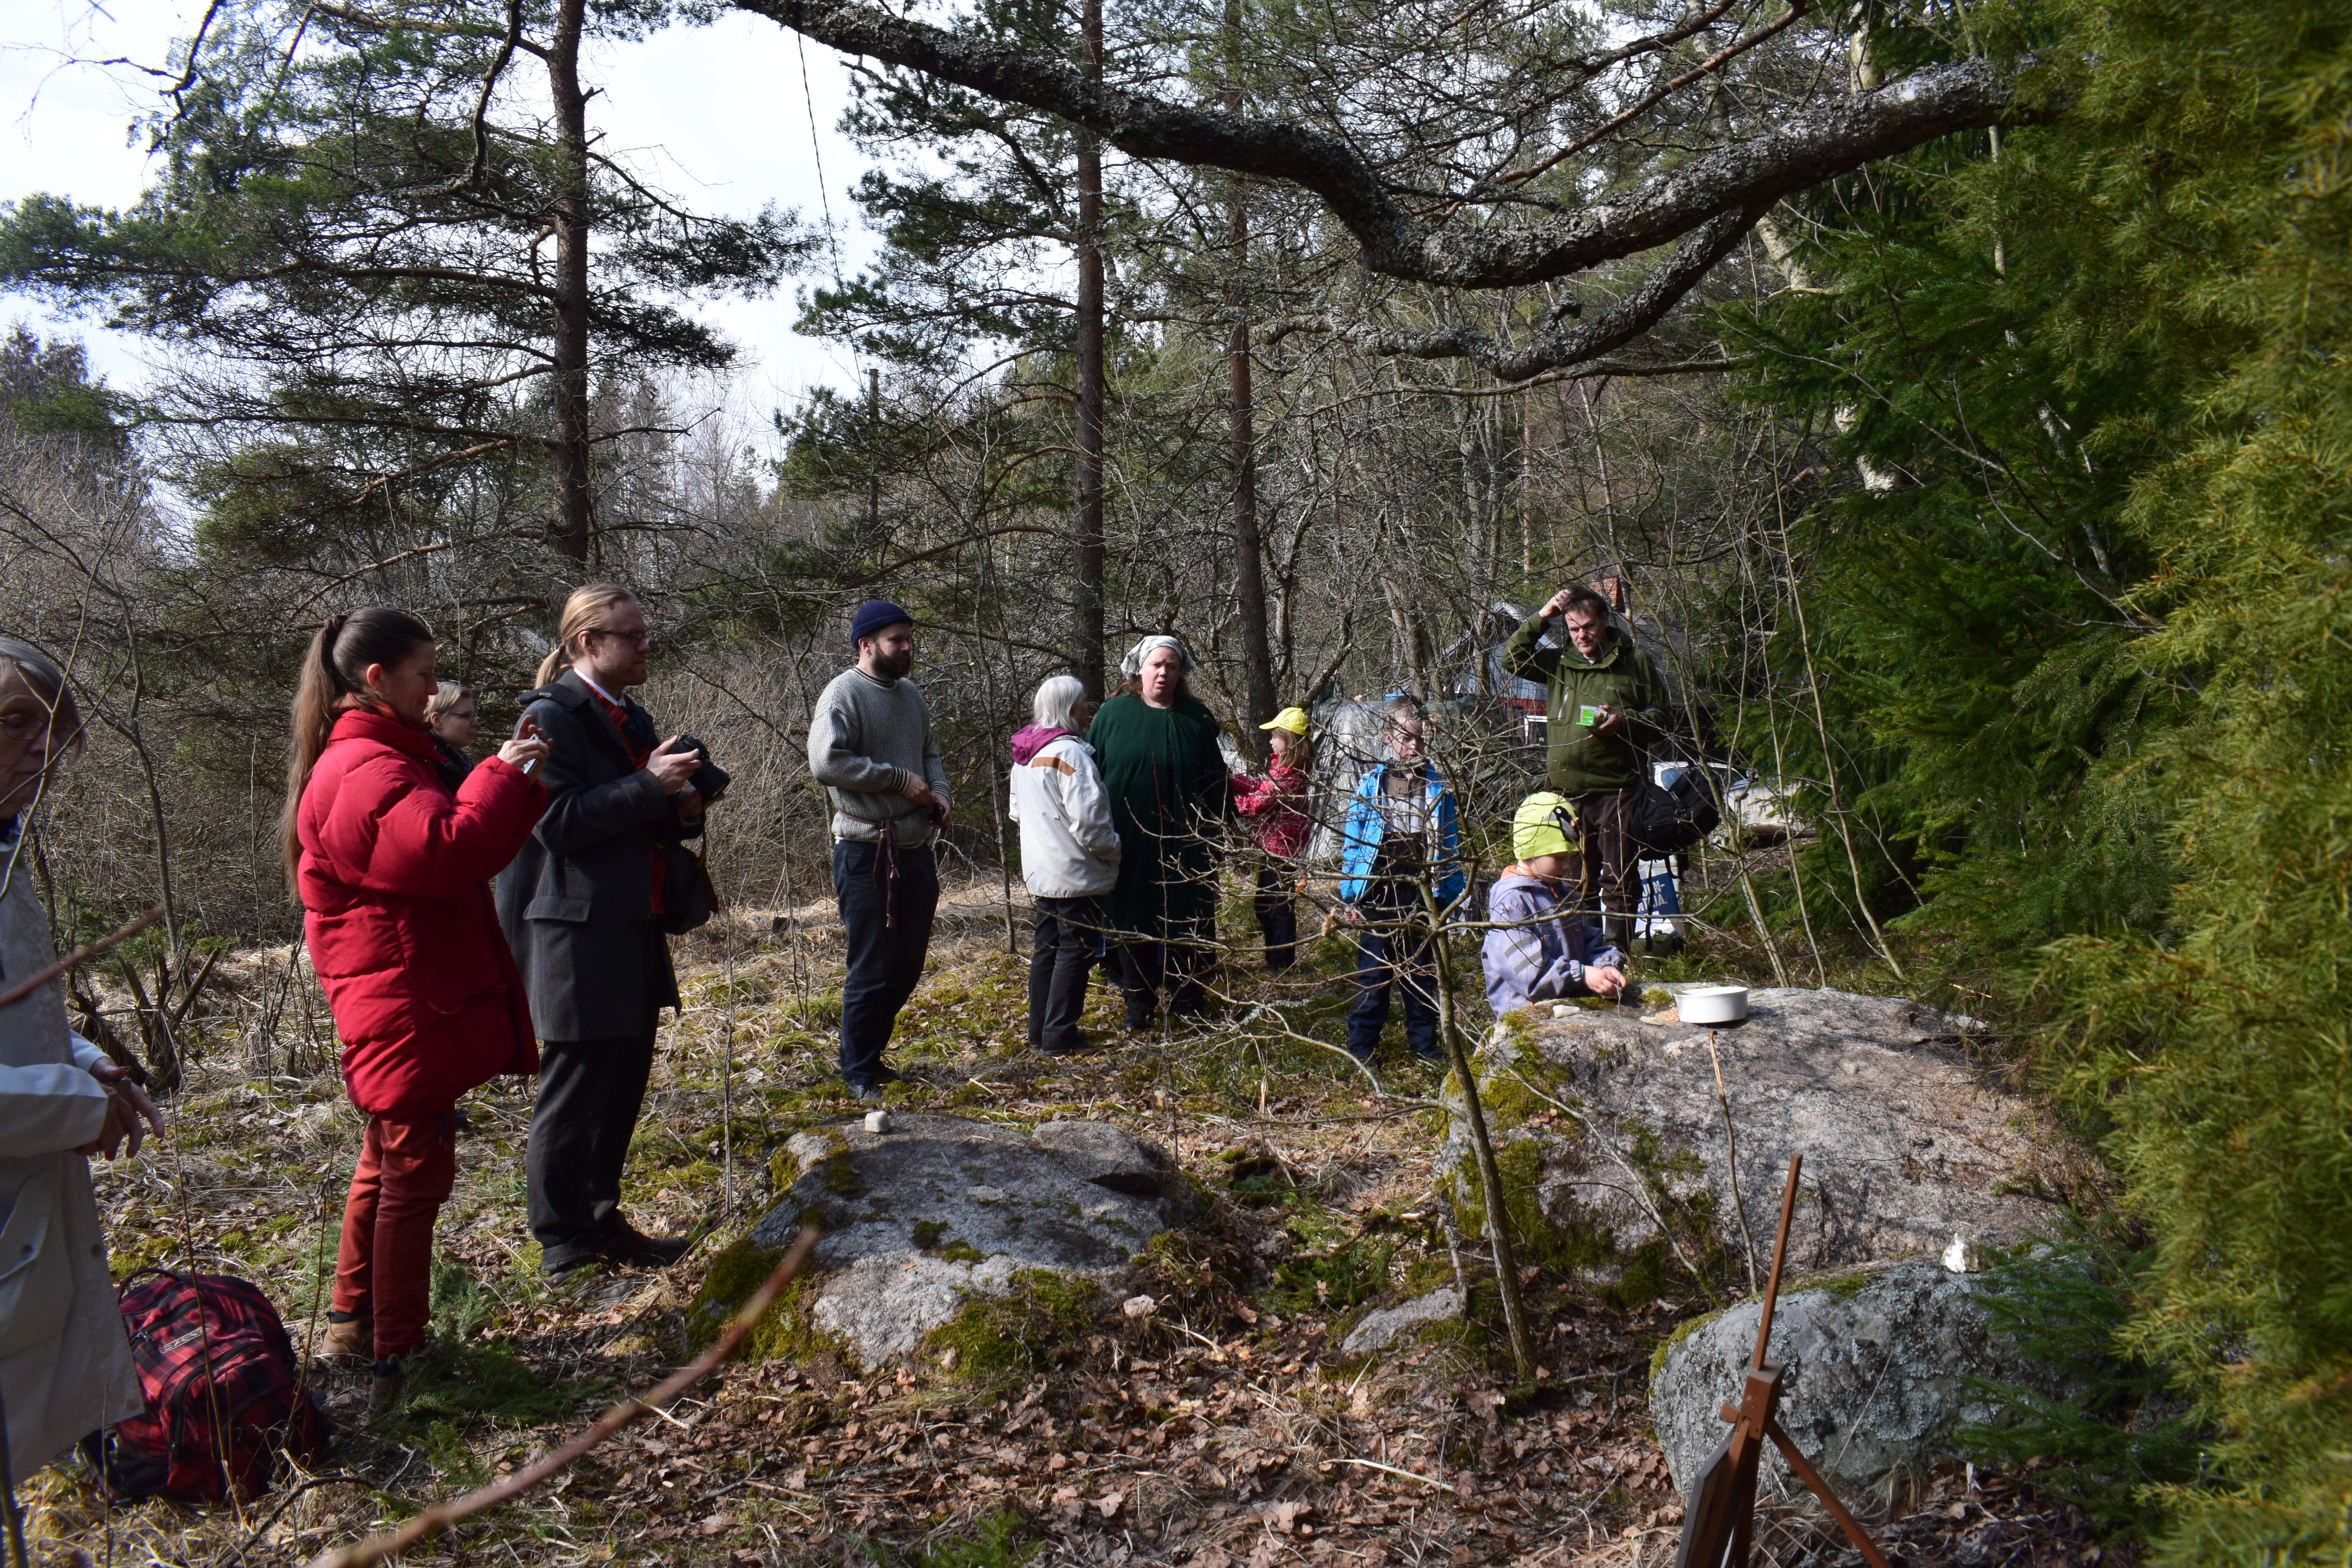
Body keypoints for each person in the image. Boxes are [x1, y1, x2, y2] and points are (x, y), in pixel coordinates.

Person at [285, 608, 548, 1409]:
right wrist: (500, 774)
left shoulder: (384, 757)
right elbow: (444, 853)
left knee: (386, 1161)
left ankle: (351, 1327)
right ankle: (398, 1363)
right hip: (402, 1005)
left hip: (404, 996)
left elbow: (460, 847)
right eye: (425, 674)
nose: (435, 689)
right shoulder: (365, 769)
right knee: (413, 1175)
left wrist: (504, 780)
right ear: (376, 679)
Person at [498, 584, 710, 1276]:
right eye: (632, 635)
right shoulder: (548, 718)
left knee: (620, 1089)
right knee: (576, 1094)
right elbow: (556, 824)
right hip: (574, 937)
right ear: (588, 642)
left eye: (644, 633)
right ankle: (563, 1248)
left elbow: (635, 819)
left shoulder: (629, 716)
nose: (647, 645)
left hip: (631, 928)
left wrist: (683, 805)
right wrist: (650, 785)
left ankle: (601, 1222)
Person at [0, 637, 163, 1483]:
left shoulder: (6, 850)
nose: (44, 749)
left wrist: (82, 1061)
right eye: (15, 722)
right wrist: (75, 1106)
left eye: (55, 729)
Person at [807, 600, 951, 1099]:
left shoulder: (910, 695)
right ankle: (859, 1071)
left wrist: (939, 793)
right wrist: (895, 780)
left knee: (906, 968)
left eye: (909, 639)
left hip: (914, 849)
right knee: (871, 968)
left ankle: (868, 1053)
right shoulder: (842, 693)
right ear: (866, 645)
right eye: (897, 640)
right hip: (865, 853)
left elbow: (930, 752)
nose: (908, 648)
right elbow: (826, 763)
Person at [1503, 584, 1670, 950]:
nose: (1582, 636)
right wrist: (1543, 616)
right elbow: (1511, 659)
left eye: (1589, 627)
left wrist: (1624, 722)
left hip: (1618, 791)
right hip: (1567, 794)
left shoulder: (1635, 662)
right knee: (1575, 882)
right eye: (1574, 629)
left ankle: (1619, 958)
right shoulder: (1560, 664)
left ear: (1606, 621)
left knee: (1619, 882)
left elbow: (1661, 719)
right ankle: (1585, 958)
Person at [1088, 636, 1230, 1029]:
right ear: (1139, 669)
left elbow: (1216, 785)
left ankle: (1188, 1000)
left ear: (1181, 672)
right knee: (1132, 917)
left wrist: (1216, 844)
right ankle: (1138, 1001)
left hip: (1188, 843)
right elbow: (1089, 780)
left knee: (1188, 916)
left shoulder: (1197, 718)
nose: (1164, 672)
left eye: (1171, 666)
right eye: (1156, 665)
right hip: (1130, 843)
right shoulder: (1113, 714)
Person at [1336, 695, 1461, 1064]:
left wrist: (1449, 896)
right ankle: (1363, 1047)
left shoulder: (1437, 786)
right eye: (1406, 738)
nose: (1414, 745)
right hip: (1378, 893)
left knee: (1420, 972)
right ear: (1388, 738)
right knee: (1374, 973)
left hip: (1420, 893)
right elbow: (1354, 843)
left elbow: (1449, 842)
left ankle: (1424, 1045)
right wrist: (1351, 895)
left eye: (1420, 737)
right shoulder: (1371, 784)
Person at [1008, 675, 1120, 1056]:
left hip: (1042, 872)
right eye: (1085, 702)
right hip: (1075, 873)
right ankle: (1059, 1035)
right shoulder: (1071, 756)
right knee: (1075, 951)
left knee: (1048, 949)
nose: (1089, 708)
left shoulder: (1025, 755)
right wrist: (1114, 852)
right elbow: (1091, 824)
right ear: (1072, 709)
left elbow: (1017, 812)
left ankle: (1039, 1032)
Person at [1481, 792, 1630, 1015]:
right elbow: (1529, 975)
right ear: (1529, 849)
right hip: (1529, 1017)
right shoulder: (1512, 903)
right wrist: (1581, 974)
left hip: (1567, 1009)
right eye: (1560, 858)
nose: (1567, 866)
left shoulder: (1566, 896)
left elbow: (1590, 944)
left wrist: (1604, 965)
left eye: (1573, 858)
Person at [1230, 706, 1313, 972]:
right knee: (1266, 906)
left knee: (1278, 909)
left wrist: (1226, 802)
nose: (1271, 742)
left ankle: (1281, 964)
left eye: (1275, 737)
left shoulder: (1291, 776)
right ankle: (1275, 960)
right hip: (1273, 850)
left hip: (1283, 853)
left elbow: (1257, 803)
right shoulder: (1282, 771)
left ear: (1289, 741)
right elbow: (1260, 788)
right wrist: (1231, 781)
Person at [424, 681, 478, 792]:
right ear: (437, 720)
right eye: (466, 716)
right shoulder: (426, 764)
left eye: (473, 716)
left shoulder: (458, 761)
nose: (476, 723)